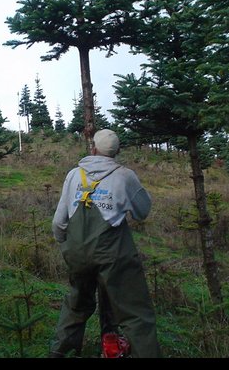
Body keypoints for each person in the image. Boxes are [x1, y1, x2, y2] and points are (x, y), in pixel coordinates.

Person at [49, 129, 160, 358]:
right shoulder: (124, 176)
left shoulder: (74, 175)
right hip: (113, 254)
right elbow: (142, 212)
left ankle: (61, 353)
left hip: (77, 253)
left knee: (77, 303)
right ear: (117, 151)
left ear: (93, 148)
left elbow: (59, 222)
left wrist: (68, 247)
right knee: (134, 312)